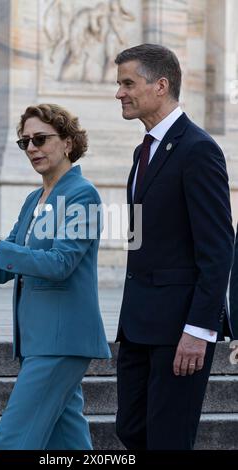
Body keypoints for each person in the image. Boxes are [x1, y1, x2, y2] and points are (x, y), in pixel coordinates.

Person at [0, 103, 111, 450]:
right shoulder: (34, 199)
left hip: (61, 340)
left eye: (40, 138)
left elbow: (60, 263)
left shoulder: (82, 195)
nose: (32, 148)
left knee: (12, 441)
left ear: (67, 142)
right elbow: (5, 267)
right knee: (69, 443)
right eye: (25, 143)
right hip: (41, 341)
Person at [114, 43, 234, 450]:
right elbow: (140, 239)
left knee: (167, 440)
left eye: (128, 83)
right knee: (131, 431)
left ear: (160, 85)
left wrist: (199, 330)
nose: (119, 94)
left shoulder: (198, 149)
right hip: (136, 327)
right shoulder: (141, 150)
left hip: (180, 330)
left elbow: (219, 250)